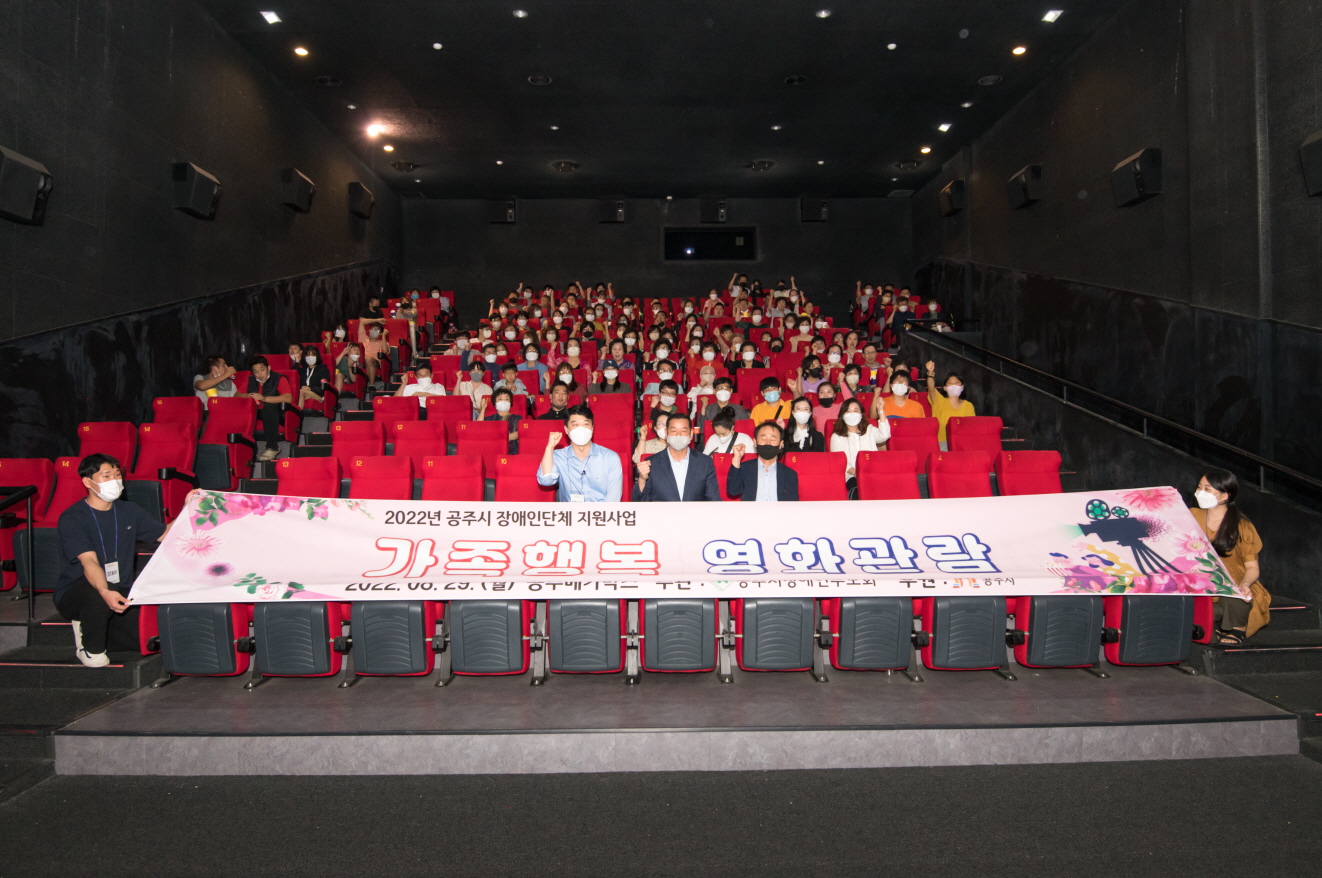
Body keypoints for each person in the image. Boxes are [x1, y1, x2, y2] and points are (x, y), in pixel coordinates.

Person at [55, 454, 190, 667]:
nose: (115, 481)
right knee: (99, 597)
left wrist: (187, 508)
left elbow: (165, 534)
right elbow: (89, 561)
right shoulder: (73, 517)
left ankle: (93, 625)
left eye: (117, 475)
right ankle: (90, 648)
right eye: (106, 476)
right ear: (87, 482)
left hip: (121, 587)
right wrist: (105, 591)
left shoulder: (129, 511)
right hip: (79, 590)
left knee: (143, 639)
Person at [1192, 469, 1269, 644]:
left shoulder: (1242, 526)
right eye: (1199, 487)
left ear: (1224, 496)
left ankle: (1237, 627)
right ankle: (1215, 623)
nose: (1200, 492)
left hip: (1232, 584)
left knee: (1236, 595)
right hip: (1201, 583)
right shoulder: (1192, 515)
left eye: (1207, 489)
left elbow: (1252, 567)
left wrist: (1245, 584)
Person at [537, 404, 623, 502]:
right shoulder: (558, 456)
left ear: (592, 428)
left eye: (586, 424)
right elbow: (545, 481)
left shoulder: (610, 458)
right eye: (575, 425)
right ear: (566, 430)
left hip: (601, 511)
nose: (581, 429)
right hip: (569, 511)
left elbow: (613, 499)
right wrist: (550, 447)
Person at [633, 412, 721, 502]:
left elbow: (714, 499)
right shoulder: (652, 463)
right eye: (673, 431)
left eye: (683, 431)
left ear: (691, 434)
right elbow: (639, 502)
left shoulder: (705, 462)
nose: (678, 435)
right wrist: (642, 479)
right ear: (666, 433)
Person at [726, 422, 799, 501]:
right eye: (763, 439)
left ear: (781, 444)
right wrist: (737, 459)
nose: (768, 443)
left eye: (773, 439)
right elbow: (733, 491)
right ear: (755, 442)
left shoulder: (789, 474)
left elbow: (792, 504)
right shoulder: (745, 469)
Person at [830, 398, 890, 494]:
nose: (852, 414)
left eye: (855, 411)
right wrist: (857, 473)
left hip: (873, 472)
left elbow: (884, 435)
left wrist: (881, 411)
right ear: (842, 416)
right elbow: (839, 461)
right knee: (861, 489)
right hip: (851, 475)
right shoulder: (837, 436)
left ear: (861, 415)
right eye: (848, 411)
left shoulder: (869, 430)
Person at [246, 356, 292, 461]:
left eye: (262, 370)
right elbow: (236, 395)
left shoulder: (279, 378)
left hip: (276, 412)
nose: (259, 374)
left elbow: (288, 398)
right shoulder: (251, 380)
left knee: (268, 408)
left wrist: (264, 398)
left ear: (269, 368)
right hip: (255, 411)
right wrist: (247, 396)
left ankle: (272, 447)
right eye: (256, 371)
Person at [924, 360, 976, 447]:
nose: (954, 385)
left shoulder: (968, 405)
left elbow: (971, 427)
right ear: (945, 388)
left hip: (962, 442)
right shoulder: (939, 401)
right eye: (950, 383)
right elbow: (931, 388)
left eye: (957, 383)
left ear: (962, 387)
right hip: (942, 443)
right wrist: (930, 373)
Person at [486, 387, 522, 452]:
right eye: (500, 399)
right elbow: (480, 429)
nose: (503, 401)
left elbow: (519, 433)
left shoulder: (517, 418)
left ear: (510, 403)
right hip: (492, 449)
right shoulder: (488, 419)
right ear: (494, 403)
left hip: (512, 451)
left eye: (506, 399)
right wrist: (483, 409)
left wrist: (501, 438)